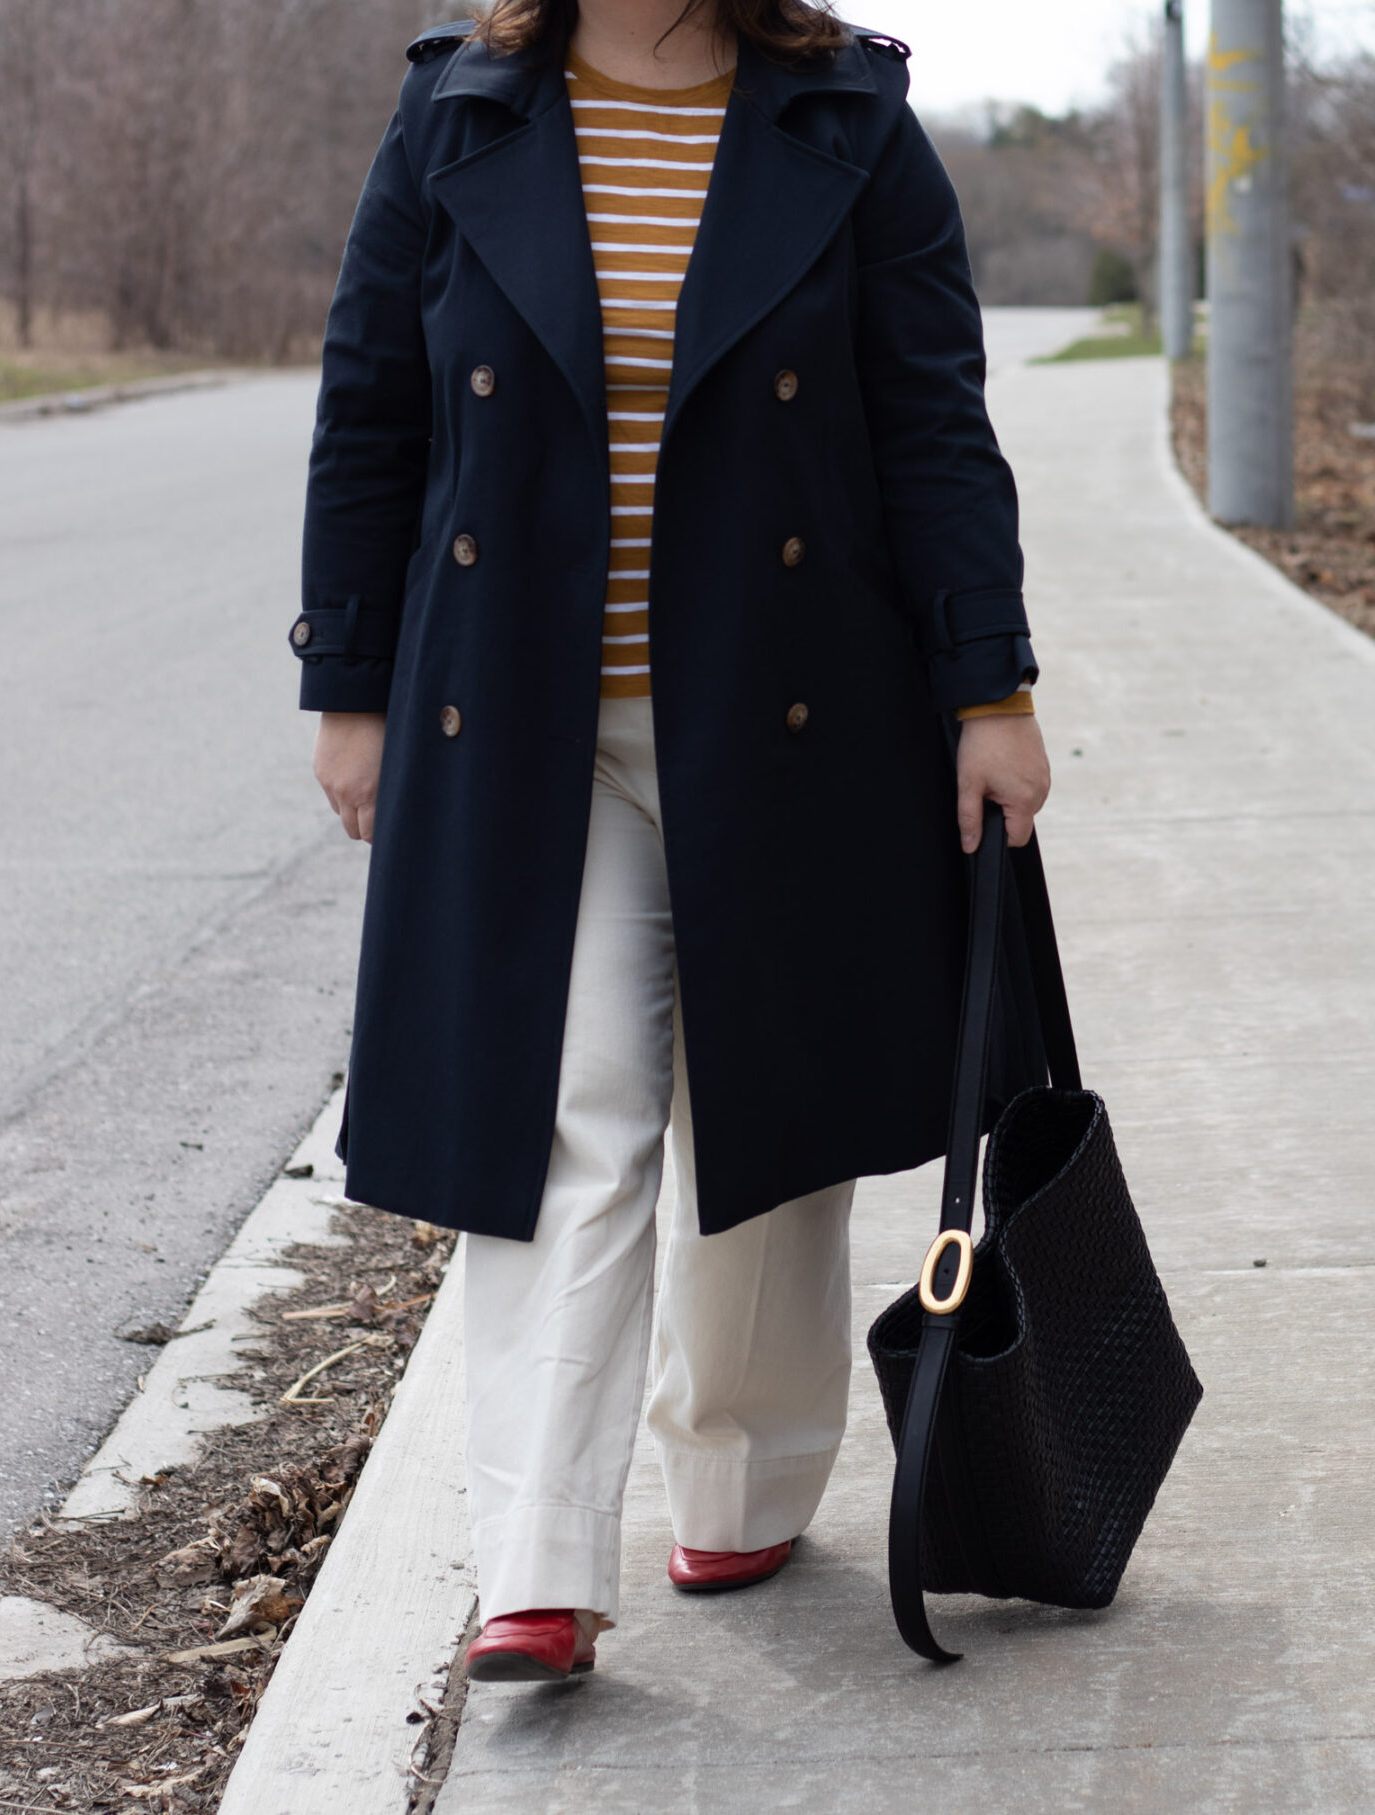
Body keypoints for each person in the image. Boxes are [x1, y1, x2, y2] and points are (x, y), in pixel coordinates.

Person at [290, 0, 1051, 1683]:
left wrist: (988, 680)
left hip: (789, 706)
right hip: (530, 720)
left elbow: (931, 417)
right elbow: (373, 407)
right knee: (573, 1118)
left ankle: (745, 1473)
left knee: (776, 1117)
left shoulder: (845, 115)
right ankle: (538, 1564)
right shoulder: (460, 115)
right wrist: (348, 679)